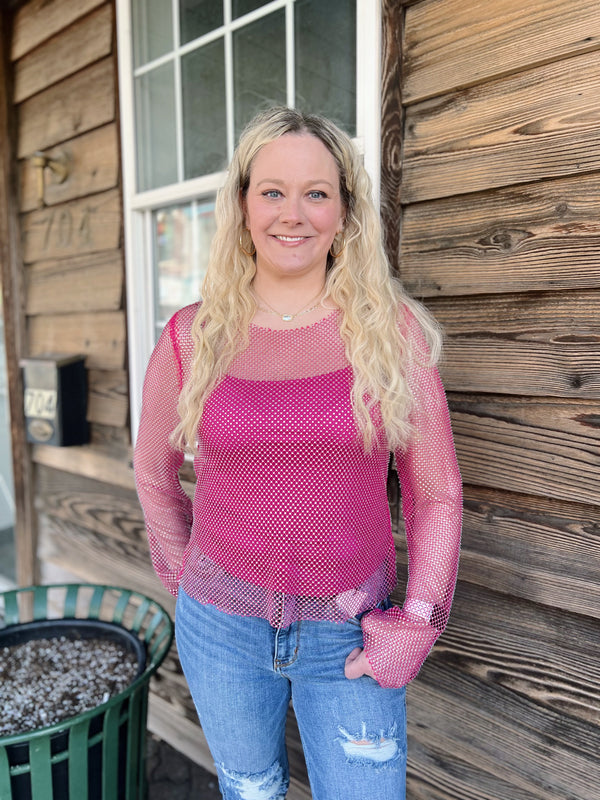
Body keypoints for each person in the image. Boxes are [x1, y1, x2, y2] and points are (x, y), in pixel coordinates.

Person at [134, 106, 462, 800]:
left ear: (344, 211)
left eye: (317, 192)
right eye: (272, 191)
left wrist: (420, 621)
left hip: (350, 633)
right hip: (219, 632)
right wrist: (193, 585)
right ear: (243, 205)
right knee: (249, 789)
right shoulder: (193, 337)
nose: (294, 213)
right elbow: (154, 474)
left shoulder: (391, 334)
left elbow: (435, 492)